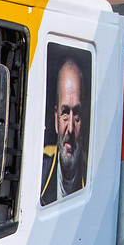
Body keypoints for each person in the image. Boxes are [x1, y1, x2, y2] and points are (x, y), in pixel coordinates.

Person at [41, 54, 86, 204]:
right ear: (56, 118)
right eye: (65, 113)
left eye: (77, 115)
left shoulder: (94, 177)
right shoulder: (40, 170)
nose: (71, 129)